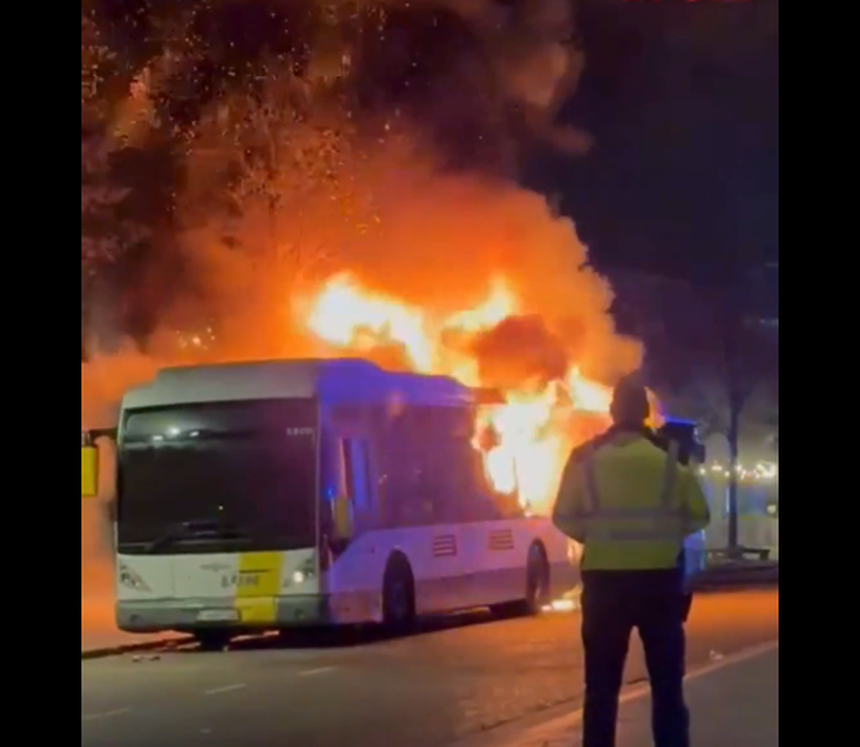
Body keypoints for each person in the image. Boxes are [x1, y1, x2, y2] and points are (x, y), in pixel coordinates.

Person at [553, 374, 710, 747]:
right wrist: (664, 537)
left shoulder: (584, 458)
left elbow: (563, 516)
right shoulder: (671, 457)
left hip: (604, 585)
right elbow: (699, 516)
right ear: (645, 413)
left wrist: (597, 538)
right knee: (667, 688)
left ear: (611, 412)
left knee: (601, 690)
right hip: (659, 583)